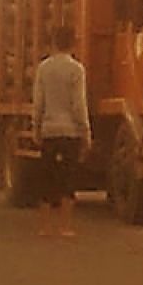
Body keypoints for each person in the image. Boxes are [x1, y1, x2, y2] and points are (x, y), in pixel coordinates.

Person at [31, 25, 91, 238]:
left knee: (47, 178)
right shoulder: (77, 69)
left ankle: (44, 227)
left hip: (49, 129)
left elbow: (38, 102)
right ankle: (65, 226)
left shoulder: (43, 68)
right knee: (68, 178)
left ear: (53, 42)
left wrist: (35, 127)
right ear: (73, 43)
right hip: (71, 131)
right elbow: (79, 104)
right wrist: (86, 132)